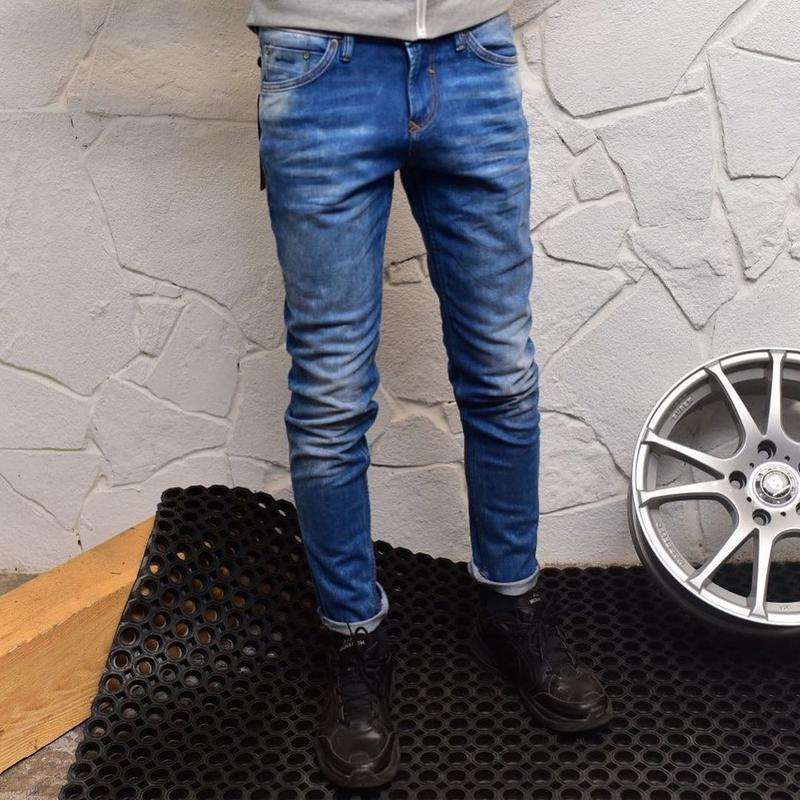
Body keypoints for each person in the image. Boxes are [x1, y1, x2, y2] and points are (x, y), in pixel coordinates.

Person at [247, 1, 613, 789]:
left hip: (472, 54)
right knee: (331, 397)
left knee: (502, 373)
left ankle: (510, 608)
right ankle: (353, 638)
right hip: (319, 63)